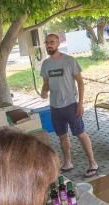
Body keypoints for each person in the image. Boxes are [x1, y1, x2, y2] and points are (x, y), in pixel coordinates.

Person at [40, 33, 99, 177]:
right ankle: (68, 162)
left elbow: (80, 82)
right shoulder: (46, 64)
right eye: (47, 42)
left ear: (58, 43)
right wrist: (44, 92)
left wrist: (80, 103)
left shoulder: (69, 60)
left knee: (80, 133)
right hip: (55, 107)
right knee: (62, 136)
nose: (49, 45)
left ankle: (93, 163)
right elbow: (46, 83)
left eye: (52, 42)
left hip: (71, 105)